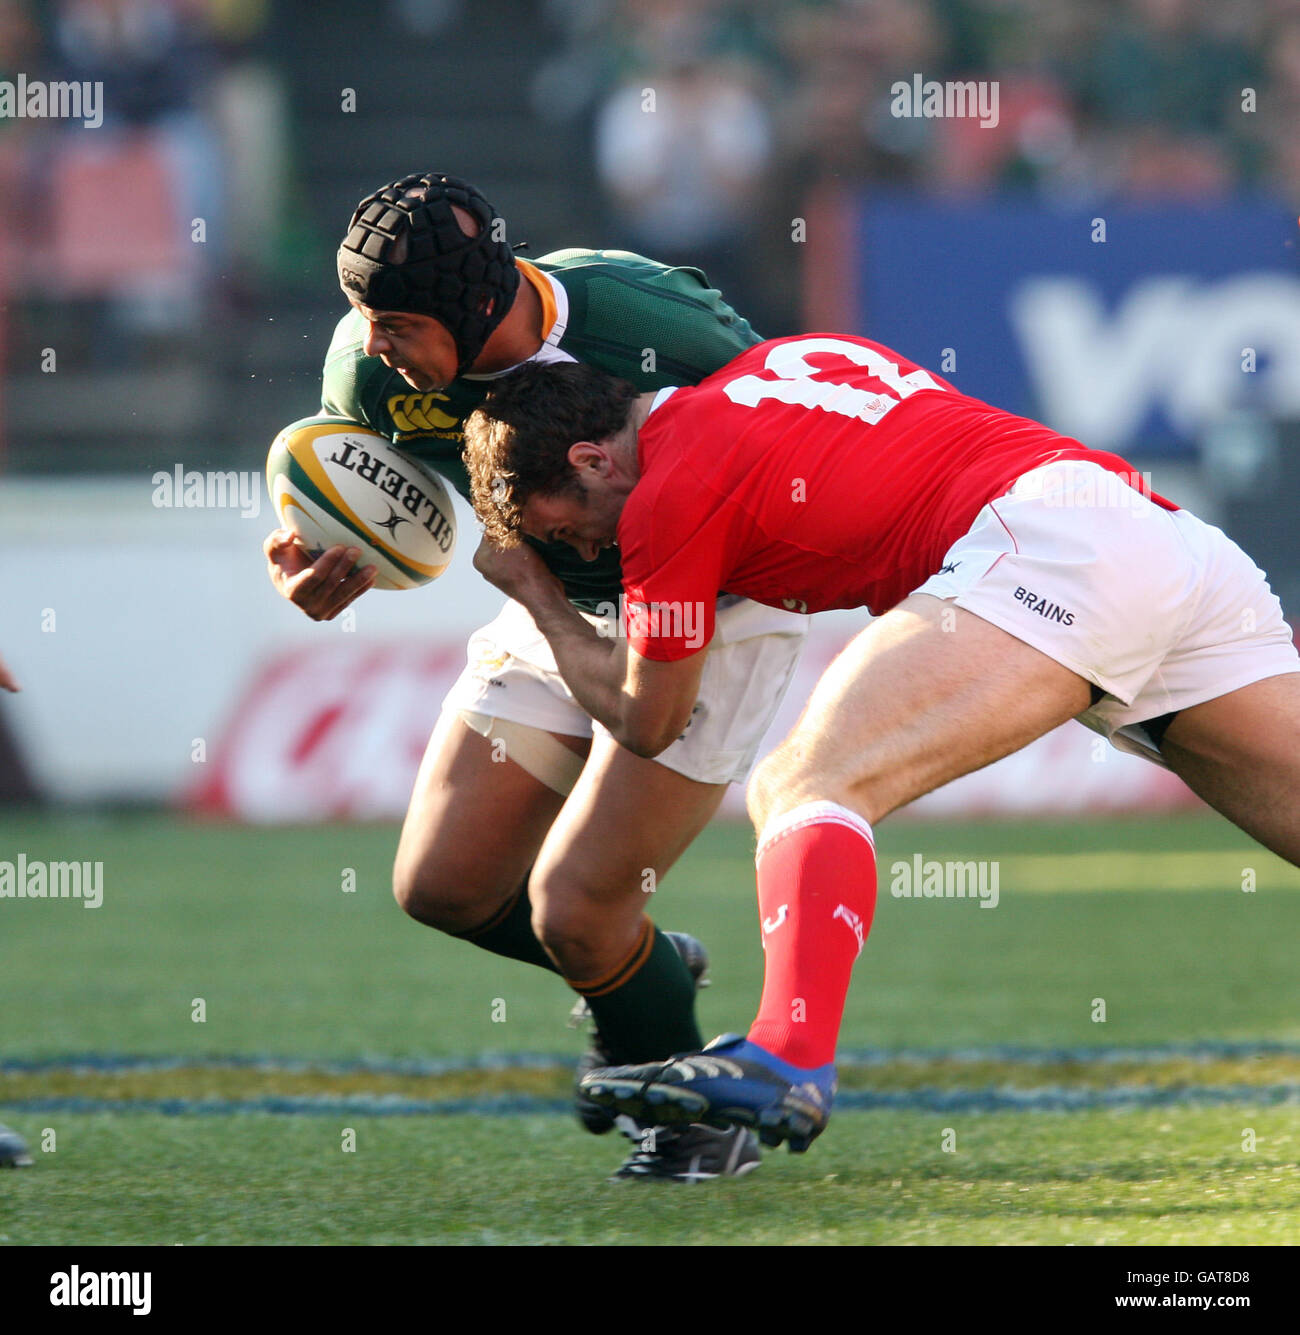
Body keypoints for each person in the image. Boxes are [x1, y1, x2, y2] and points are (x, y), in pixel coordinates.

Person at [461, 334, 1300, 1152]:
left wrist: (539, 592)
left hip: (1046, 549)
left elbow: (650, 721)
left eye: (570, 530)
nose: (588, 550)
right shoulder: (782, 359)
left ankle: (787, 1056)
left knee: (801, 781)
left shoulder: (668, 495)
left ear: (592, 460)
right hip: (1152, 530)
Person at [263, 172, 809, 1180]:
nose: (371, 342)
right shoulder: (371, 375)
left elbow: (794, 441)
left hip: (716, 610)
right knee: (445, 886)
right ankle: (638, 964)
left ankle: (695, 1122)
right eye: (362, 318)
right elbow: (379, 502)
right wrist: (327, 563)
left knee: (579, 912)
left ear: (476, 306)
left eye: (393, 322)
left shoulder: (657, 324)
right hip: (550, 590)